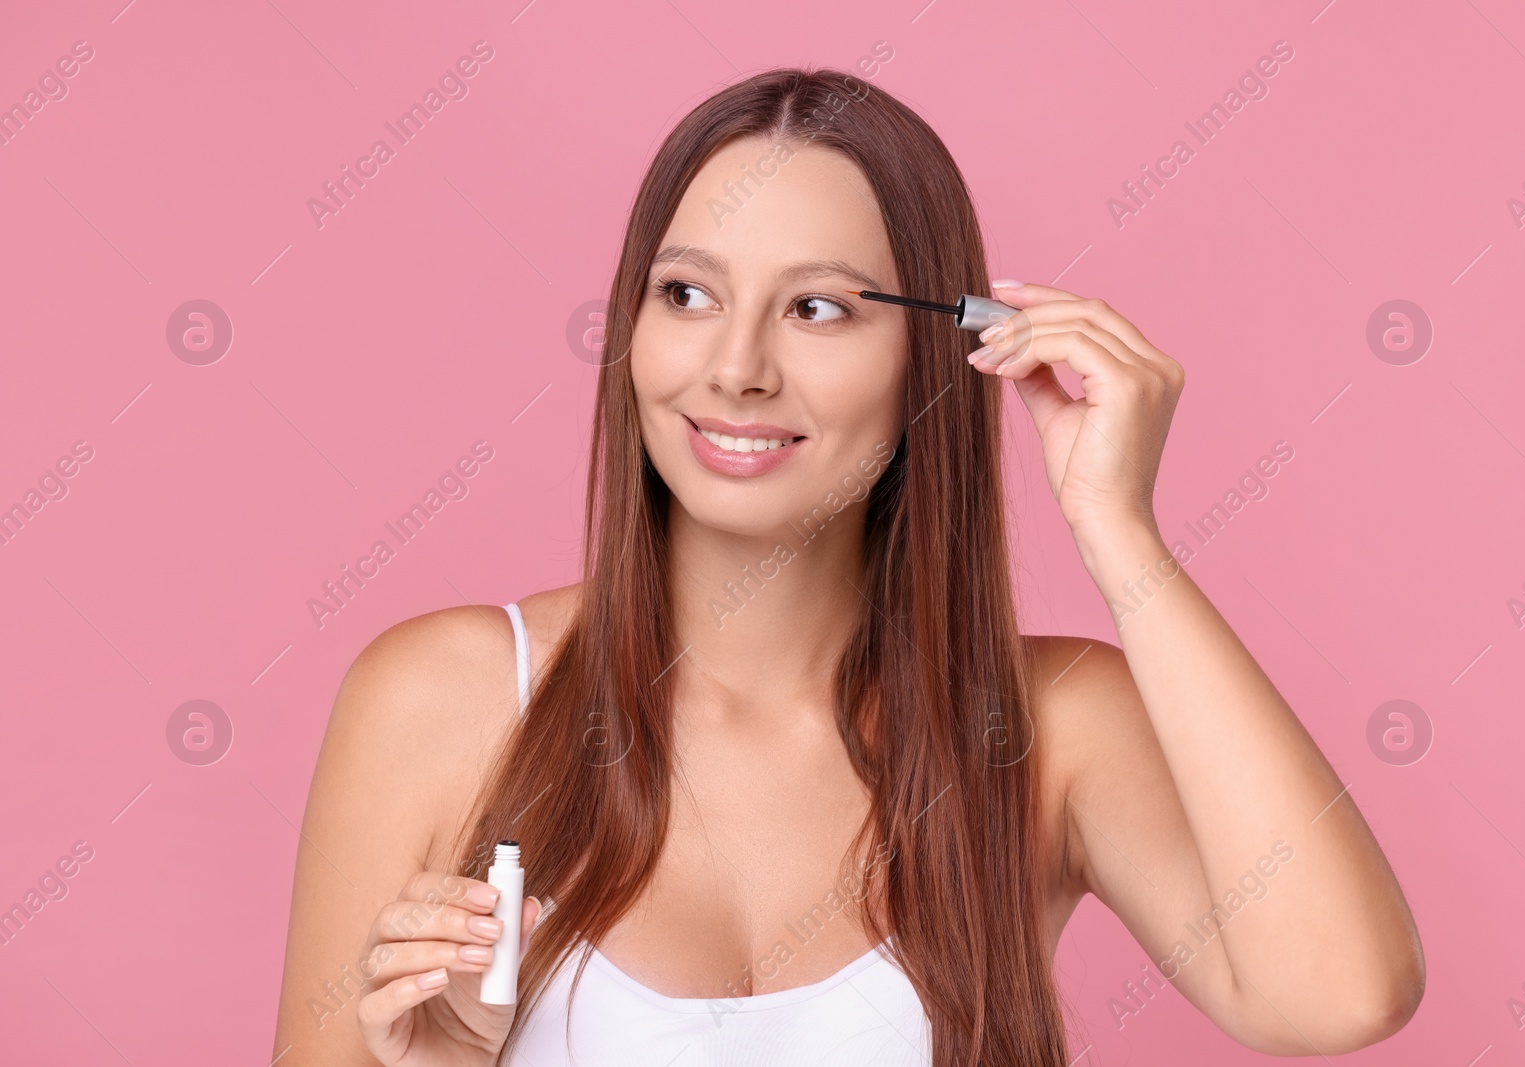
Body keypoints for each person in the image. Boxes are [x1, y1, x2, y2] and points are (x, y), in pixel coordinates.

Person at [272, 67, 1424, 1067]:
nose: (736, 367)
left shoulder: (1052, 724)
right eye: (687, 294)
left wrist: (1119, 529)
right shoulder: (447, 696)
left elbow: (1339, 992)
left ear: (939, 352)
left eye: (816, 308)